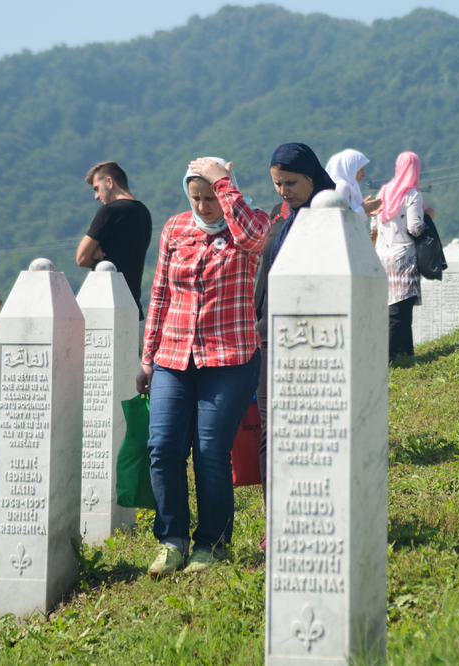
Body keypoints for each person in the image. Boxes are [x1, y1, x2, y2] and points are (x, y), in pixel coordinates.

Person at [136, 157, 271, 577]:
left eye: (211, 197)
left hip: (229, 357)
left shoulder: (246, 224)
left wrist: (224, 184)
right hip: (174, 355)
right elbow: (159, 293)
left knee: (211, 451)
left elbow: (255, 238)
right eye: (197, 198)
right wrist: (148, 356)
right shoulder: (176, 228)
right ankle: (171, 540)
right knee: (163, 447)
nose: (204, 206)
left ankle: (211, 544)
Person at [254, 143, 335, 545]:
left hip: (313, 337)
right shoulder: (282, 218)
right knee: (273, 429)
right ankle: (277, 516)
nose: (283, 191)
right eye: (277, 184)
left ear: (311, 176)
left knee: (310, 427)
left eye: (290, 182)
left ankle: (314, 507)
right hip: (272, 334)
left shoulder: (330, 218)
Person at [77, 161, 153, 320]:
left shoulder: (109, 211)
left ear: (110, 182)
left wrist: (95, 256)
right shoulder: (144, 212)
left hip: (104, 301)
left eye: (97, 189)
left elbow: (81, 258)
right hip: (131, 303)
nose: (96, 196)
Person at [374, 151, 426, 360]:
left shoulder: (384, 191)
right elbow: (414, 227)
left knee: (389, 306)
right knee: (402, 310)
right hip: (403, 256)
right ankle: (400, 353)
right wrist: (428, 218)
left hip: (382, 255)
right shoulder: (412, 193)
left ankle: (397, 354)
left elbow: (373, 223)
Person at [324, 148, 382, 216]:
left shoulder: (352, 186)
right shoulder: (342, 187)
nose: (364, 175)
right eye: (361, 170)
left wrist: (365, 211)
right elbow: (341, 217)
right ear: (350, 169)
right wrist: (363, 209)